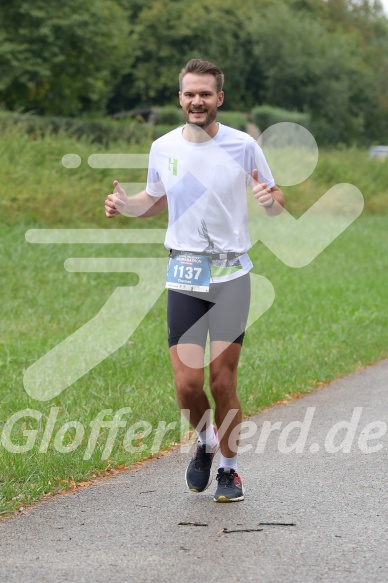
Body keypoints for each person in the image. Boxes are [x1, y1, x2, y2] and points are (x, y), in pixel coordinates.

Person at [105, 58, 284, 502]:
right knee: (187, 385)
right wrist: (125, 206)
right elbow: (154, 200)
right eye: (190, 93)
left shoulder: (243, 146)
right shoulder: (163, 146)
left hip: (230, 276)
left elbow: (276, 199)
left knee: (223, 383)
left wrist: (269, 198)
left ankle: (229, 469)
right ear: (180, 98)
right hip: (184, 272)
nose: (197, 100)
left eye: (206, 93)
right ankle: (204, 443)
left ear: (219, 98)